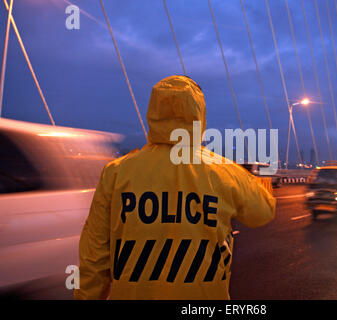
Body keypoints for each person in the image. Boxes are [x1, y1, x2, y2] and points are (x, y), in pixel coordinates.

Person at [74, 75, 276, 300]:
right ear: (199, 115)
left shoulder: (116, 173)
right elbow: (263, 211)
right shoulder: (223, 172)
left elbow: (94, 257)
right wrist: (260, 177)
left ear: (153, 113)